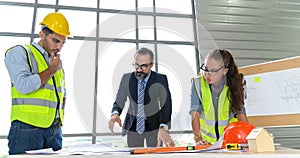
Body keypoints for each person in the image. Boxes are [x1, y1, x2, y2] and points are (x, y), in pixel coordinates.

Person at [4, 12, 71, 155]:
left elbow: (62, 92)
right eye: (55, 40)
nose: (59, 47)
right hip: (27, 130)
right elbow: (23, 86)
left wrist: (58, 120)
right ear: (42, 35)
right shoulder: (20, 53)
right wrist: (52, 69)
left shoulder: (55, 62)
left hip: (54, 130)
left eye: (63, 42)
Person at [108, 47, 174, 147]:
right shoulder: (126, 78)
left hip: (154, 127)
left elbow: (166, 104)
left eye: (143, 66)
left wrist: (163, 127)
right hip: (133, 126)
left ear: (151, 64)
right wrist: (115, 114)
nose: (139, 69)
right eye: (136, 65)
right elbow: (119, 100)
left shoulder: (160, 79)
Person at [189, 49, 248, 145]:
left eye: (213, 71)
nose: (207, 74)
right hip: (206, 143)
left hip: (229, 142)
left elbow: (240, 113)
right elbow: (195, 114)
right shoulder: (197, 84)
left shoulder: (235, 84)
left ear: (225, 71)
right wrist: (198, 139)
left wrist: (250, 138)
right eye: (206, 69)